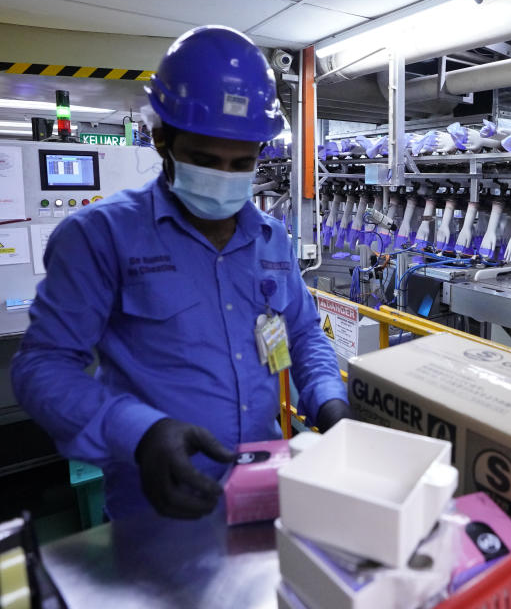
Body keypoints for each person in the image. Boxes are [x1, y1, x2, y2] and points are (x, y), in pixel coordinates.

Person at [12, 26, 350, 520]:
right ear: (161, 140)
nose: (225, 177)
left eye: (242, 163)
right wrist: (138, 430)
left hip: (262, 486)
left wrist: (328, 399)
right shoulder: (99, 236)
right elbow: (42, 365)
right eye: (205, 159)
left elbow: (300, 332)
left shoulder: (270, 238)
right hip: (156, 497)